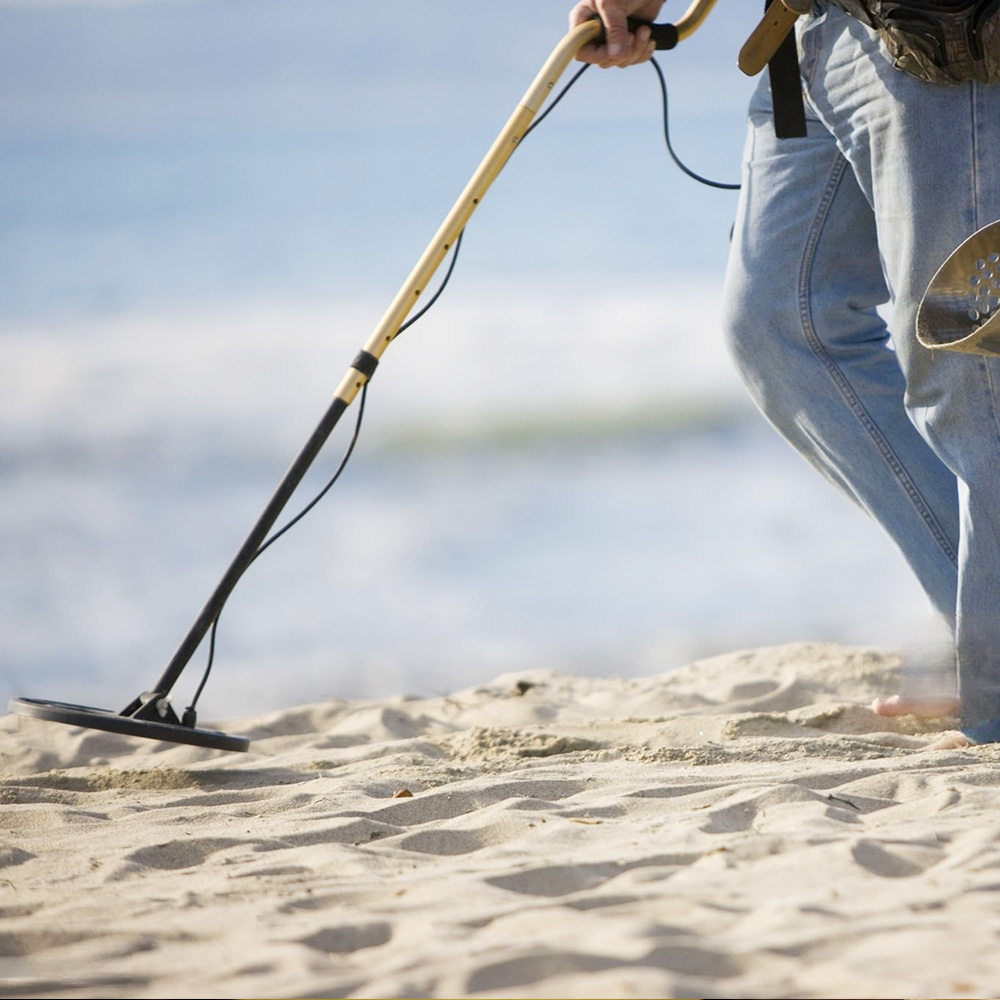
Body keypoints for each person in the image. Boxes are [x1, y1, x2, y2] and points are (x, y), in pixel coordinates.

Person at [569, 0, 1000, 748]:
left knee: (965, 368)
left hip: (935, 31)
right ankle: (984, 637)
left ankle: (991, 684)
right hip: (809, 28)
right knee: (773, 323)